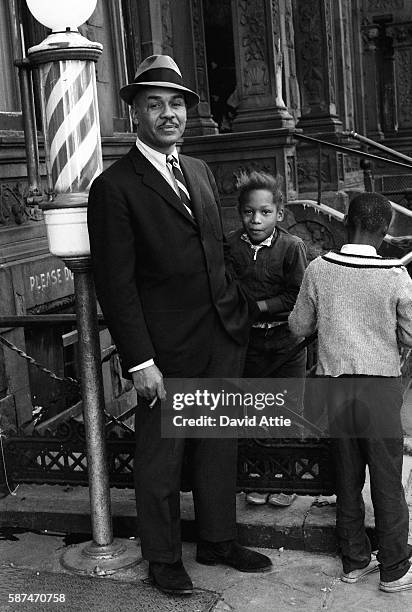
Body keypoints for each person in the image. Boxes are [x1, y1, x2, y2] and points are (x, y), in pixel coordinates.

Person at [87, 55, 271, 596]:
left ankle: (217, 538)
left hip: (220, 333)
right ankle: (163, 558)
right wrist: (140, 359)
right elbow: (116, 285)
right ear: (135, 113)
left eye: (176, 104)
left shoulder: (198, 170)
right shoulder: (114, 187)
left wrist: (236, 309)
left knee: (218, 443)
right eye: (155, 104)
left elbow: (214, 248)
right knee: (162, 458)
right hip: (165, 350)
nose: (168, 114)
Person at [288, 192, 412, 592]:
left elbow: (299, 326)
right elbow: (410, 333)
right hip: (380, 388)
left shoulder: (319, 270)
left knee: (346, 476)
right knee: (387, 479)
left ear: (345, 223)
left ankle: (354, 561)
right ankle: (394, 568)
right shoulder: (396, 275)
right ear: (385, 231)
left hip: (335, 387)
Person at [228, 171, 307, 508]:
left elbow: (298, 296)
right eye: (249, 212)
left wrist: (258, 307)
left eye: (264, 212)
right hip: (248, 346)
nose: (256, 220)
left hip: (286, 345)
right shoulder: (231, 246)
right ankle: (260, 477)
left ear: (279, 213)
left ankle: (286, 479)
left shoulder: (291, 247)